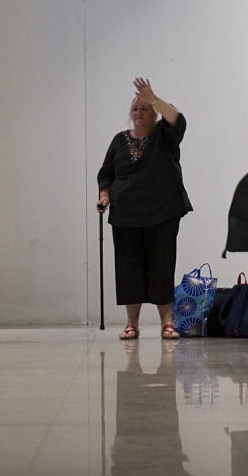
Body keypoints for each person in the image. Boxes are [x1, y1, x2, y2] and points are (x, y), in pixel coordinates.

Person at [97, 77, 192, 340]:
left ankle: (167, 323)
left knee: (162, 267)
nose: (139, 113)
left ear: (154, 113)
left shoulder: (165, 134)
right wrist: (104, 195)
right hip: (126, 214)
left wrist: (154, 98)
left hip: (162, 211)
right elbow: (106, 173)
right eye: (135, 109)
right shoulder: (119, 140)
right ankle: (132, 324)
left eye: (145, 109)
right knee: (129, 269)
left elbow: (178, 119)